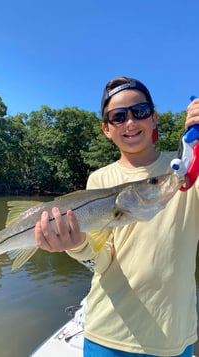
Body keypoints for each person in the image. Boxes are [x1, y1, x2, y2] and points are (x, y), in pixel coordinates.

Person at [34, 76, 199, 357]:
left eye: (140, 112)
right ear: (106, 129)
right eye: (118, 117)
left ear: (154, 118)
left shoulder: (183, 169)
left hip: (174, 335)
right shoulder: (99, 179)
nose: (131, 123)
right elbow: (102, 257)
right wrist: (75, 245)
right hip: (108, 335)